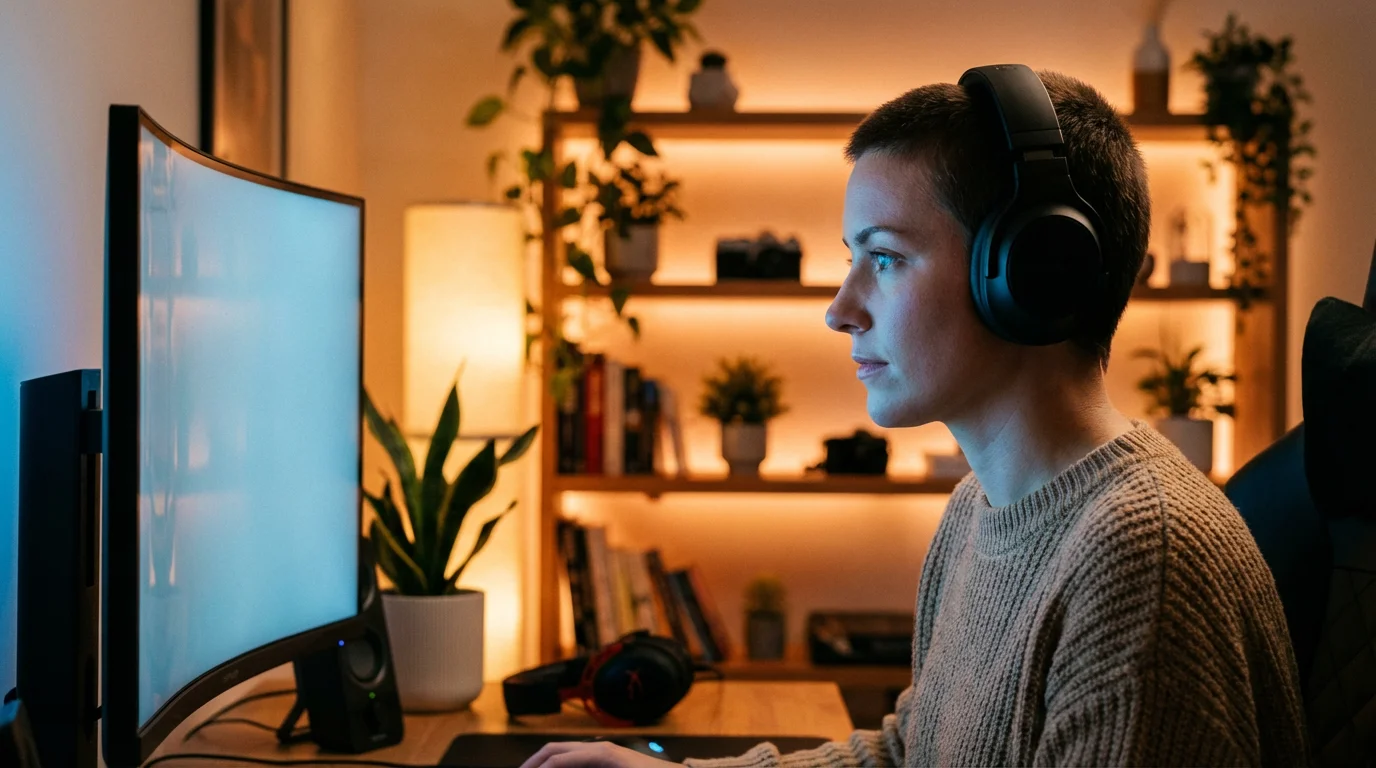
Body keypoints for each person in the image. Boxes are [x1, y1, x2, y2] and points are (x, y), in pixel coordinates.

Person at [519, 66, 1309, 768]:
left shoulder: (1140, 560)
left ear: (1031, 271)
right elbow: (909, 750)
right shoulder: (978, 509)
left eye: (887, 258)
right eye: (850, 258)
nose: (841, 309)